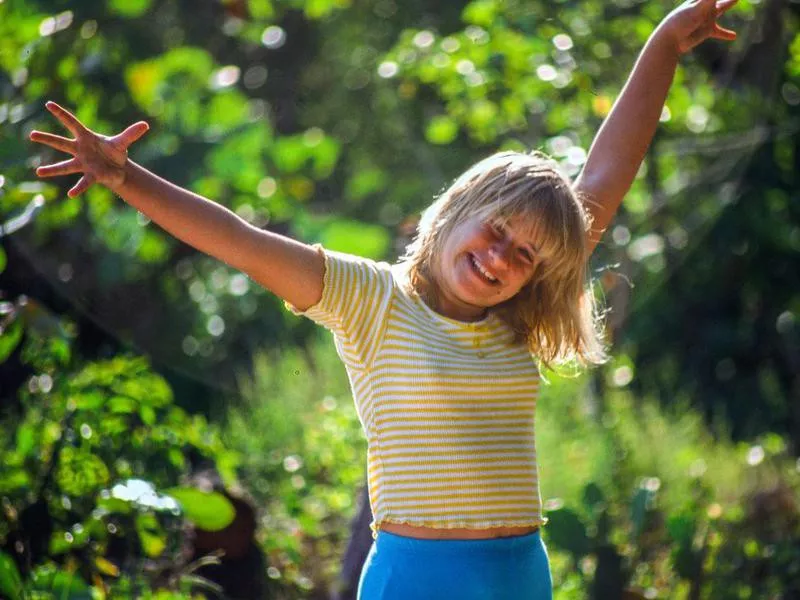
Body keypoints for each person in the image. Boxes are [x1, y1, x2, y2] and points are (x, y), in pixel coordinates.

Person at [30, 1, 738, 597]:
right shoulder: (371, 299)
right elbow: (237, 239)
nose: (502, 258)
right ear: (456, 210)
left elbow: (606, 175)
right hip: (417, 575)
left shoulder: (519, 320)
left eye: (525, 255)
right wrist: (127, 179)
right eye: (496, 233)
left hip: (521, 572)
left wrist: (664, 44)